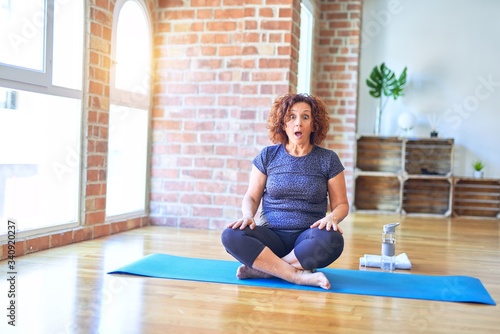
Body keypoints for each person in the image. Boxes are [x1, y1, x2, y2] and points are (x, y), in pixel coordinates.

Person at [221, 93, 349, 290]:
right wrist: (247, 215)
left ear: (314, 125)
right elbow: (252, 196)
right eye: (291, 117)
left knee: (333, 239)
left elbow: (341, 204)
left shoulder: (328, 159)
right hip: (271, 236)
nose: (298, 123)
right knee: (231, 235)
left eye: (305, 117)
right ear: (283, 123)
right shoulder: (268, 156)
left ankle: (266, 269)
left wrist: (332, 218)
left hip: (309, 238)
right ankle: (296, 276)